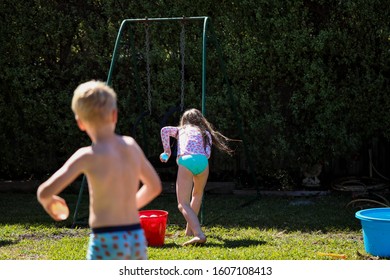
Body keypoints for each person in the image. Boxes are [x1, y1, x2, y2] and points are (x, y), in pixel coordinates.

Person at [37, 80, 162, 260]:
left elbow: (44, 192)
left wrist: (51, 202)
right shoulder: (131, 146)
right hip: (135, 236)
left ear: (80, 123)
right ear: (114, 115)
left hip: (106, 238)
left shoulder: (86, 156)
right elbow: (154, 186)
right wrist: (129, 205)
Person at [160, 108, 234, 246]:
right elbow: (207, 153)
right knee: (197, 195)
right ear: (201, 120)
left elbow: (164, 130)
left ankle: (199, 234)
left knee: (183, 203)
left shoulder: (180, 130)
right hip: (203, 163)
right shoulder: (205, 133)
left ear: (184, 120)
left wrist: (167, 151)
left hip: (186, 160)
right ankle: (190, 231)